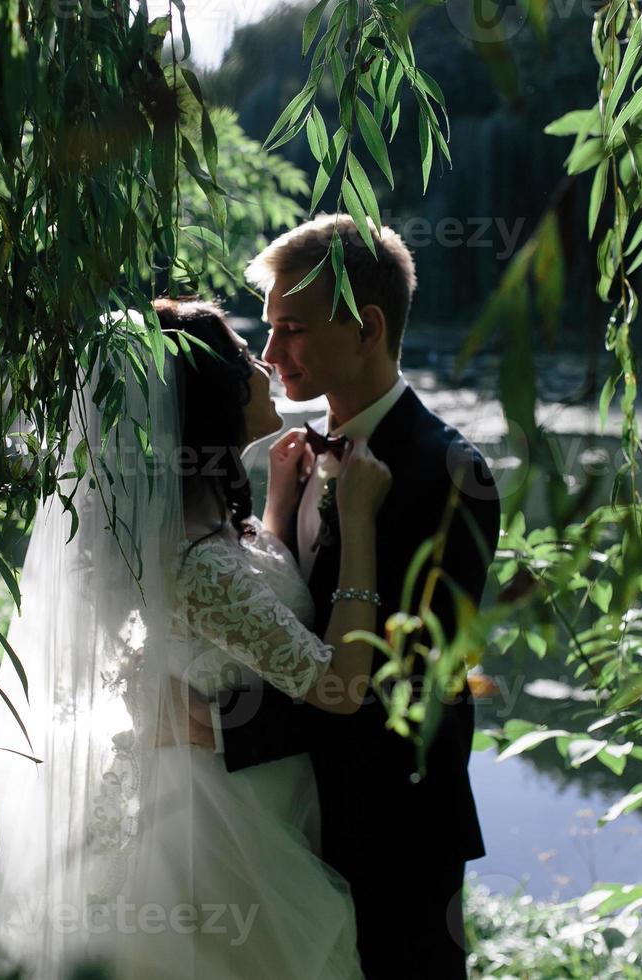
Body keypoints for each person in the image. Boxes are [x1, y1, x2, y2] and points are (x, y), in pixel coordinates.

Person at [0, 297, 392, 979]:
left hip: (240, 791)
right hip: (220, 834)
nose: (266, 367)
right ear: (211, 396)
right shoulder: (195, 560)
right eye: (249, 357)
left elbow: (248, 612)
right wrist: (360, 521)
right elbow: (337, 689)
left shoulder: (201, 530)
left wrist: (277, 504)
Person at [186, 215, 501, 979]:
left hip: (395, 840)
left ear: (367, 327)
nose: (268, 355)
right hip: (282, 830)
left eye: (291, 329)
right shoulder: (292, 458)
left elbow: (404, 691)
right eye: (267, 330)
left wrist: (219, 728)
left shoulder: (452, 474)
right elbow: (277, 617)